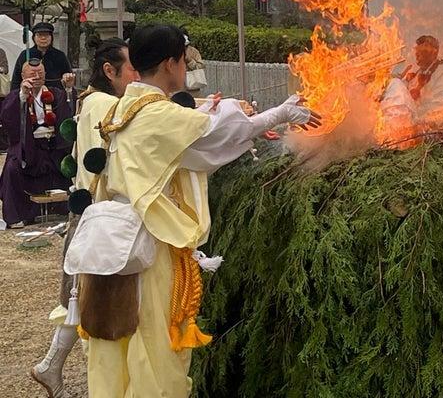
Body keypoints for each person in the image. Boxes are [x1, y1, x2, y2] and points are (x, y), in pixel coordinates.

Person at [80, 24, 320, 398]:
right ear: (170, 63)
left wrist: (248, 113)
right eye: (184, 62)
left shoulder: (126, 105)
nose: (186, 69)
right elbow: (217, 135)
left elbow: (194, 140)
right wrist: (280, 114)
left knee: (116, 344)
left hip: (113, 240)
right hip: (149, 245)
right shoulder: (157, 114)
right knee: (156, 350)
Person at [30, 38, 139, 398]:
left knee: (78, 295)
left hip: (91, 211)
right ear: (110, 71)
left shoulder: (93, 99)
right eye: (131, 68)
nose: (137, 75)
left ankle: (51, 366)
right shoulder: (105, 103)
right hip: (99, 213)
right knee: (86, 297)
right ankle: (58, 368)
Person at [0, 59, 76, 227]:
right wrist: (22, 96)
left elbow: (69, 113)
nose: (36, 76)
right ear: (22, 76)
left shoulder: (55, 93)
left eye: (40, 73)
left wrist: (69, 89)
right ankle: (18, 215)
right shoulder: (16, 96)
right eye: (32, 74)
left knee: (69, 164)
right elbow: (7, 119)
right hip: (29, 147)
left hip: (52, 146)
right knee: (13, 168)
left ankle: (65, 208)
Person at [381, 35, 443, 124]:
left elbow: (440, 107)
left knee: (395, 83)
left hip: (422, 123)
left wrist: (417, 112)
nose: (417, 58)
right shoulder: (415, 74)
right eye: (417, 54)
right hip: (407, 119)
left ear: (434, 53)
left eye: (423, 53)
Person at [11, 22, 73, 91]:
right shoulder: (25, 54)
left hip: (55, 95)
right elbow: (16, 80)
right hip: (30, 94)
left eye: (46, 35)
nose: (43, 38)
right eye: (39, 35)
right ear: (34, 37)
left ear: (51, 37)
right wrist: (15, 96)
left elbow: (68, 76)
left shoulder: (60, 55)